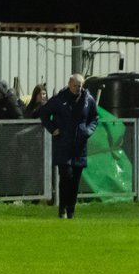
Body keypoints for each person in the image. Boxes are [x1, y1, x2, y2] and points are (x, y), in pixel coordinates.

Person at [37, 75, 99, 218]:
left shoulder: (88, 100)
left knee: (75, 179)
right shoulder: (60, 99)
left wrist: (87, 131)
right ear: (69, 84)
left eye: (80, 86)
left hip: (79, 145)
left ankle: (71, 209)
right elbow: (44, 113)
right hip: (63, 144)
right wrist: (53, 129)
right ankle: (62, 208)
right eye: (75, 85)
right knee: (66, 176)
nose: (78, 89)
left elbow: (94, 118)